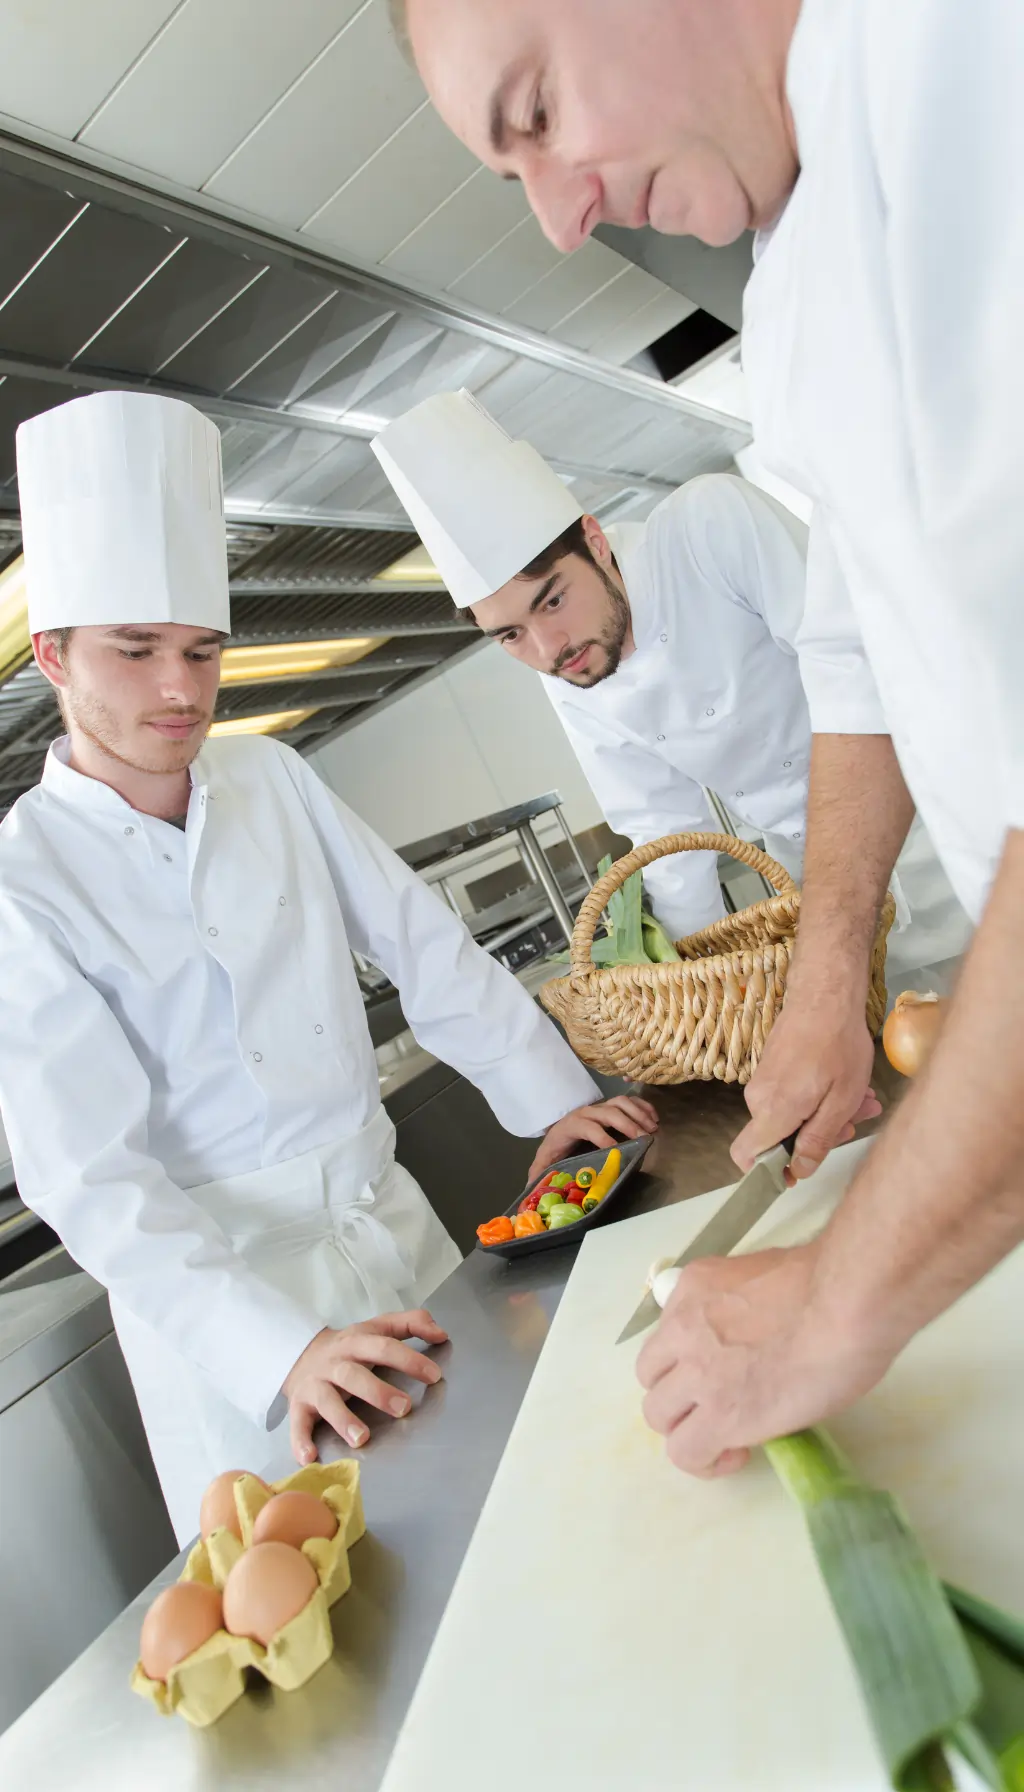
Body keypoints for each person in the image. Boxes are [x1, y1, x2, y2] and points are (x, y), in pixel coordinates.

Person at [393, 0, 1024, 1474]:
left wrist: (839, 1299)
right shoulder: (796, 287)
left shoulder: (958, 65)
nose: (557, 219)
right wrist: (819, 972)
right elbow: (858, 644)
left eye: (537, 111)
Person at [0, 389, 655, 1540]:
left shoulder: (270, 781)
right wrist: (281, 1350)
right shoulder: (24, 879)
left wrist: (558, 1108)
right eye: (136, 649)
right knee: (347, 1605)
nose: (178, 689)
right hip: (238, 1336)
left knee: (532, 1516)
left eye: (201, 650)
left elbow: (424, 948)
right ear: (51, 654)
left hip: (392, 1238)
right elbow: (89, 1178)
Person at [373, 388, 968, 977]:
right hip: (820, 890)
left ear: (597, 543)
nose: (549, 649)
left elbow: (860, 668)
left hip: (942, 817)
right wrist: (696, 979)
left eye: (553, 599)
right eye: (509, 636)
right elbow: (664, 832)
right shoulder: (570, 671)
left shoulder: (707, 528)